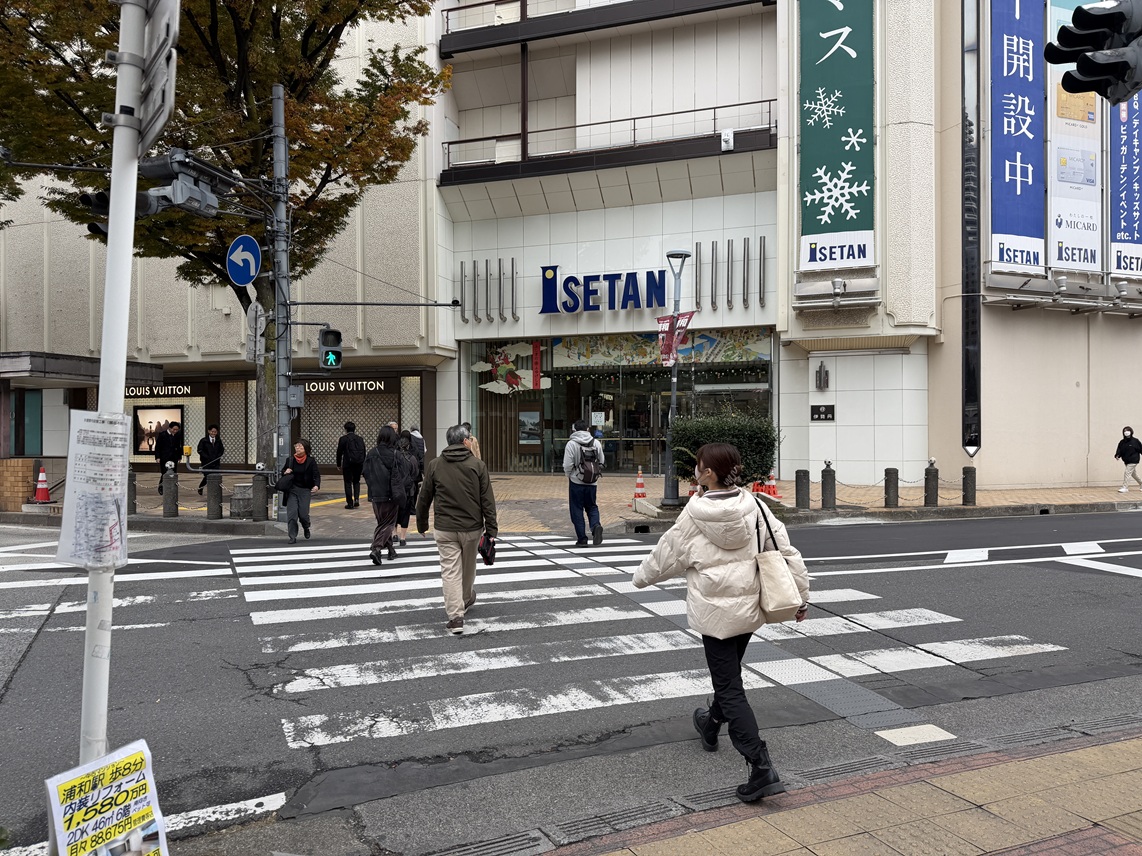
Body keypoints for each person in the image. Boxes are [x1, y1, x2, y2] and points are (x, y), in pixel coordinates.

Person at [634, 443, 810, 804]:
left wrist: (639, 579)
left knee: (729, 686)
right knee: (728, 678)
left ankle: (760, 766)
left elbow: (666, 554)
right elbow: (785, 551)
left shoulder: (694, 514)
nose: (695, 470)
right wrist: (801, 597)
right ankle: (710, 723)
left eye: (698, 466)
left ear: (709, 473)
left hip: (714, 615)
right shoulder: (755, 505)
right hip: (748, 610)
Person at [416, 424, 498, 635]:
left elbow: (424, 498)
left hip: (445, 528)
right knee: (468, 567)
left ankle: (455, 617)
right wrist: (491, 531)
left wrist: (422, 524)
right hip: (472, 528)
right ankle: (466, 598)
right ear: (465, 442)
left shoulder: (435, 465)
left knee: (450, 571)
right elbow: (488, 501)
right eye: (469, 438)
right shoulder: (477, 465)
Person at [363, 426, 409, 564]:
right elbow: (404, 473)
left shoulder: (372, 453)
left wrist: (372, 485)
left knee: (382, 522)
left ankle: (391, 550)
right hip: (391, 494)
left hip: (375, 494)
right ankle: (376, 548)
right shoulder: (396, 454)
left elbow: (365, 472)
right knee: (388, 523)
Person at [563, 418, 605, 546]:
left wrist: (569, 475)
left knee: (577, 509)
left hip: (576, 482)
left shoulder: (571, 444)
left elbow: (567, 465)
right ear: (587, 429)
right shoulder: (596, 442)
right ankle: (595, 526)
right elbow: (601, 461)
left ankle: (582, 539)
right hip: (592, 482)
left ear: (574, 430)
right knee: (592, 506)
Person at [281, 439, 320, 544]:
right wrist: (285, 472)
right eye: (296, 446)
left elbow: (316, 474)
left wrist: (316, 485)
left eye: (300, 446)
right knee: (292, 515)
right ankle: (292, 536)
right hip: (292, 490)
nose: (297, 448)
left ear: (305, 449)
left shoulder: (311, 461)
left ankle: (306, 527)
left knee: (303, 515)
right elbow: (282, 472)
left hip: (305, 490)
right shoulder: (290, 460)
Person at [395, 430, 420, 546]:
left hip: (396, 489)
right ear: (408, 445)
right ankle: (403, 538)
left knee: (395, 512)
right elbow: (415, 473)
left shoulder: (394, 457)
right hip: (408, 490)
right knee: (405, 513)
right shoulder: (412, 458)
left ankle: (394, 534)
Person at [335, 421, 367, 508]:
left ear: (345, 429)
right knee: (356, 481)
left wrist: (338, 464)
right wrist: (363, 463)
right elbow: (364, 451)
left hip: (348, 464)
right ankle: (356, 499)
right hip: (359, 463)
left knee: (348, 482)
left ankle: (350, 503)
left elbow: (339, 452)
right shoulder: (360, 439)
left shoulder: (343, 439)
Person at [195, 424, 225, 495]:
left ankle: (214, 492)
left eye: (215, 432)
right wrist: (206, 457)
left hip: (216, 462)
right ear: (209, 431)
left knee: (215, 476)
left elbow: (221, 450)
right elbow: (200, 450)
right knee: (207, 476)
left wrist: (218, 456)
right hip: (206, 462)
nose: (213, 433)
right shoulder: (204, 440)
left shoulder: (218, 440)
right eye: (212, 431)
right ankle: (201, 487)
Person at [154, 421, 182, 495]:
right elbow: (158, 447)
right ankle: (161, 487)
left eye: (177, 430)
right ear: (169, 428)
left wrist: (179, 457)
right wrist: (157, 457)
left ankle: (171, 487)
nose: (175, 431)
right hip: (164, 457)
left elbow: (178, 446)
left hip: (174, 457)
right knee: (164, 473)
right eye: (174, 429)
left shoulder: (178, 435)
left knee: (173, 472)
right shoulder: (162, 435)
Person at [1116, 426, 1142, 493]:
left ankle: (1125, 487)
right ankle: (1141, 483)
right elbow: (1119, 449)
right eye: (1124, 431)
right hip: (1126, 460)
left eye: (1127, 430)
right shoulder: (1122, 442)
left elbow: (1141, 449)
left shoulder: (1135, 441)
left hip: (1134, 460)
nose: (1126, 432)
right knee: (1133, 474)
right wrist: (1117, 455)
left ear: (1131, 432)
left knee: (1127, 472)